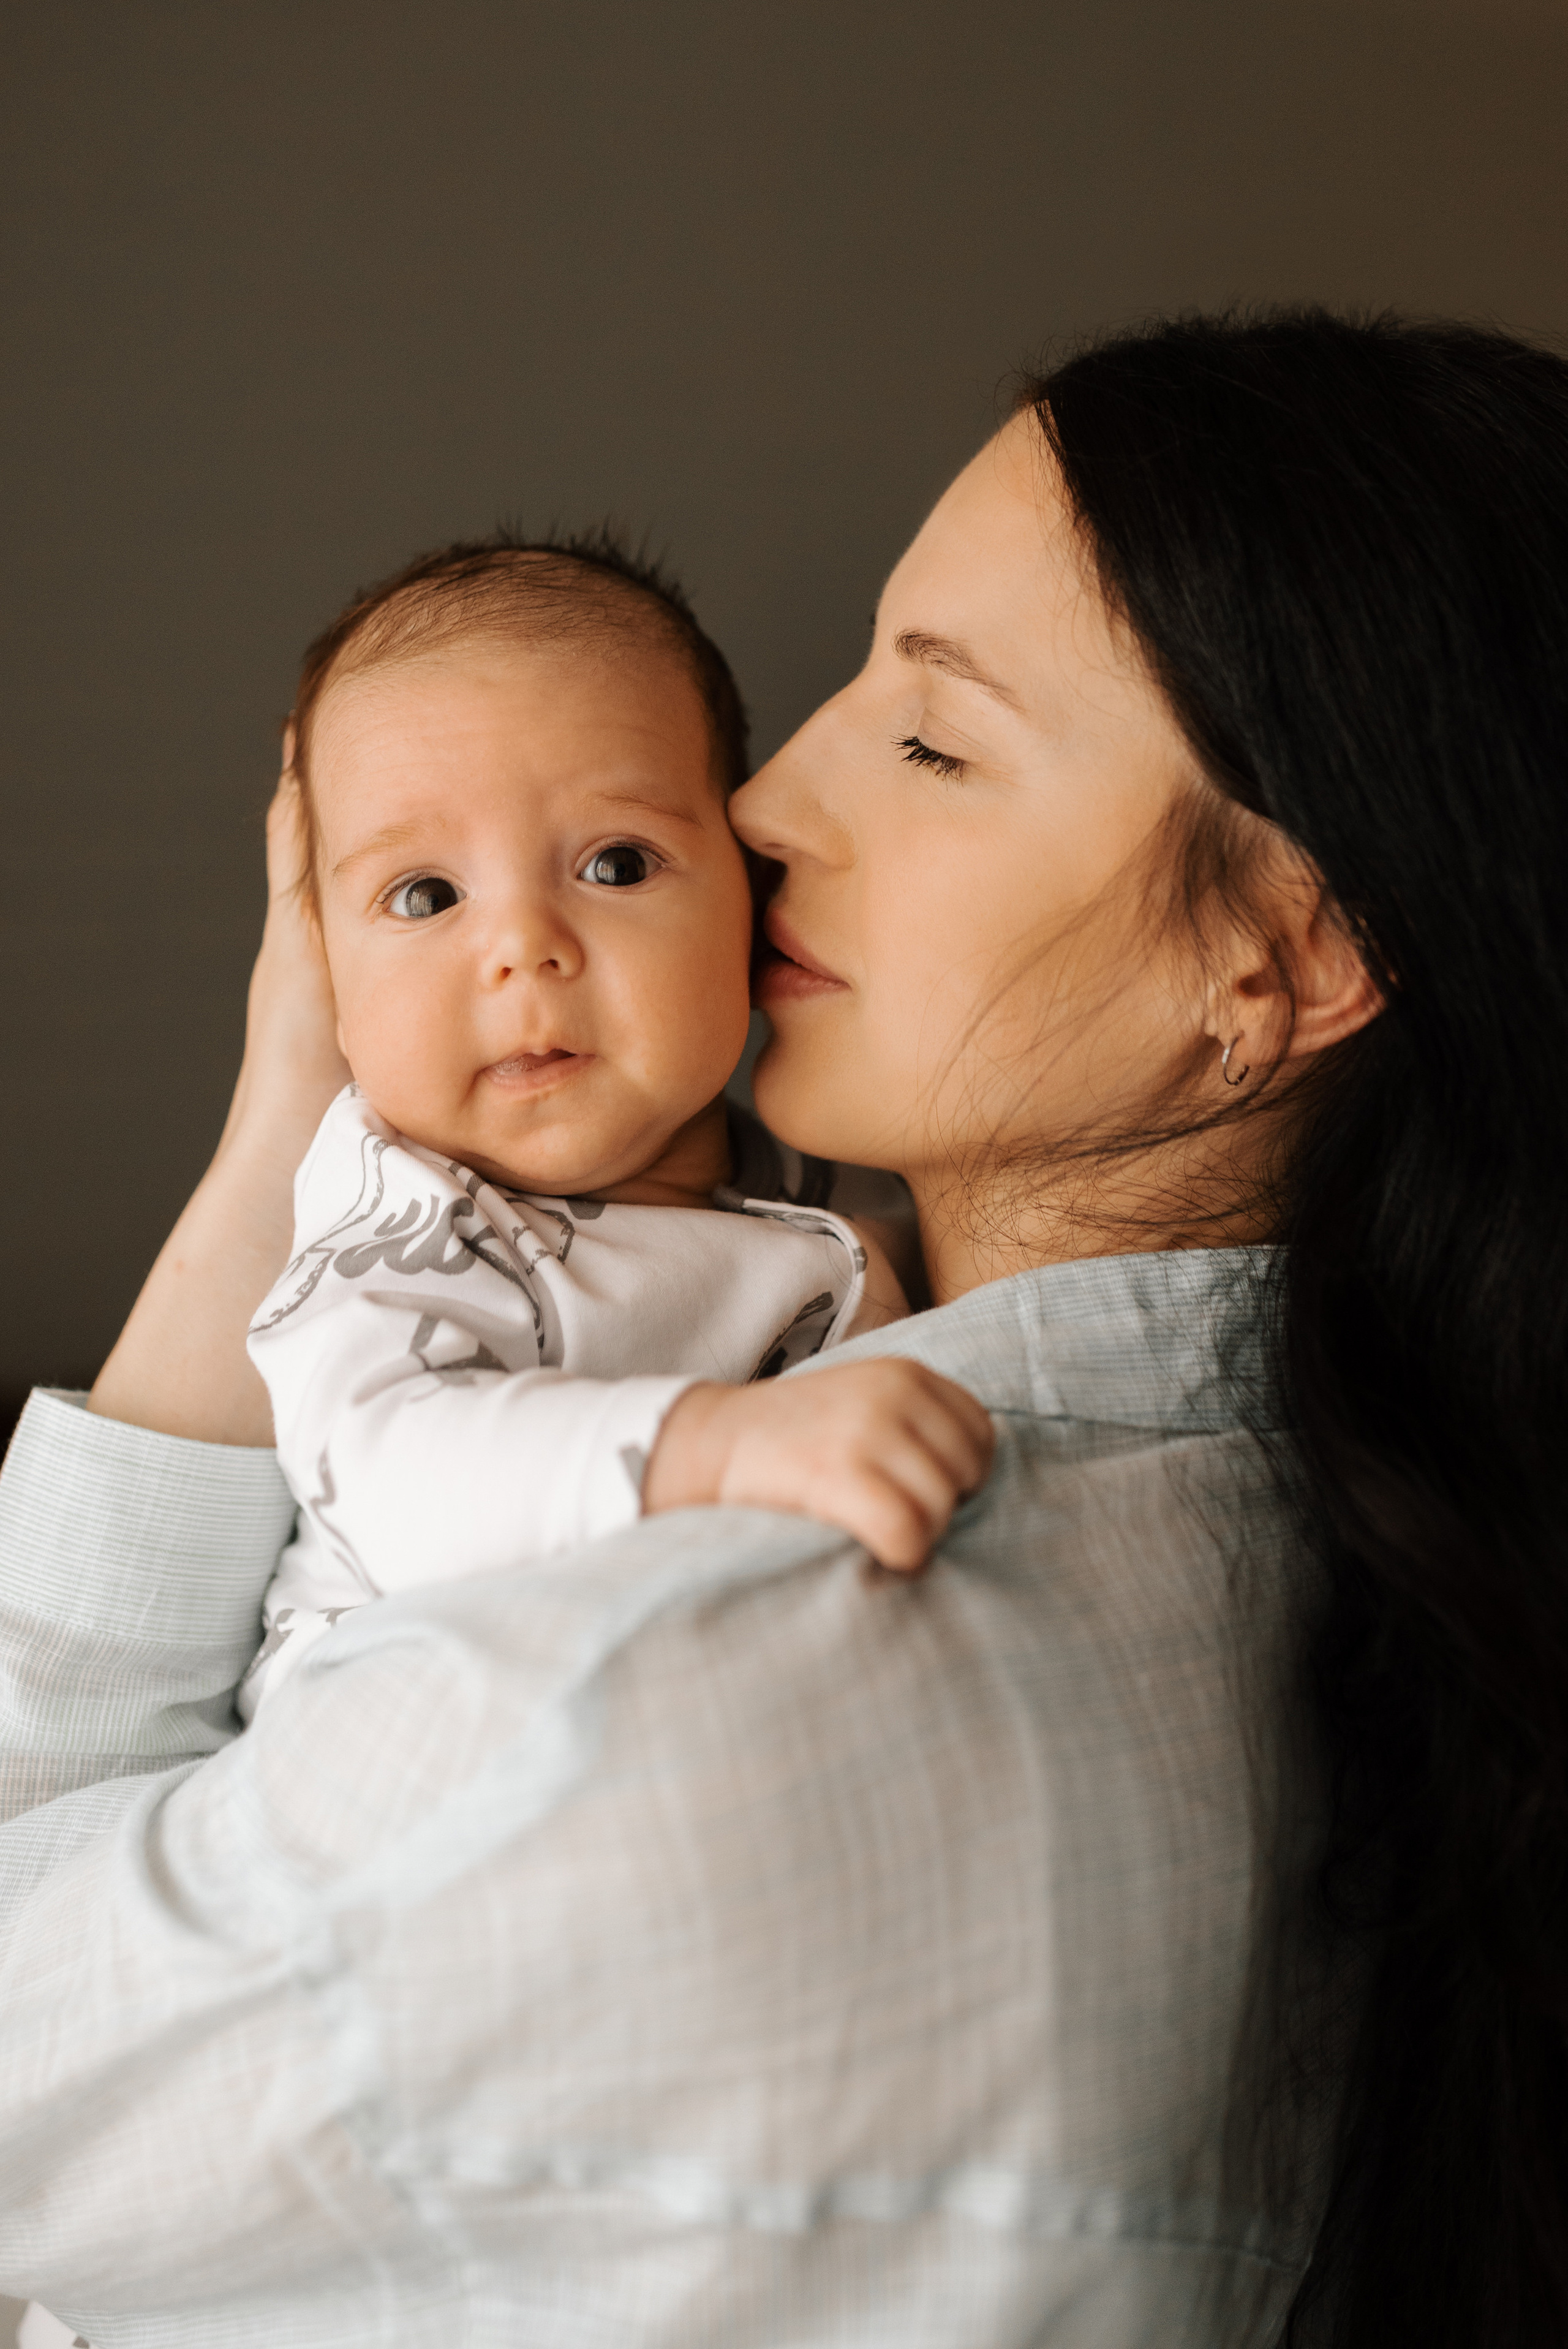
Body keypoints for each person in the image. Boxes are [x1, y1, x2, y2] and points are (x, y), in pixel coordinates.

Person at [1, 307, 1564, 2348]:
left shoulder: (649, 1700)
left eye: (931, 738)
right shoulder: (1373, 1580)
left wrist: (265, 1149)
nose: (762, 799)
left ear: (1279, 957)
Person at [237, 535, 978, 1715]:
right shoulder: (404, 1224)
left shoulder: (807, 1180)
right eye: (425, 895)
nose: (524, 947)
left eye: (617, 863)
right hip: (398, 1733)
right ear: (323, 965)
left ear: (751, 899)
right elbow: (396, 1468)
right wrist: (714, 1450)